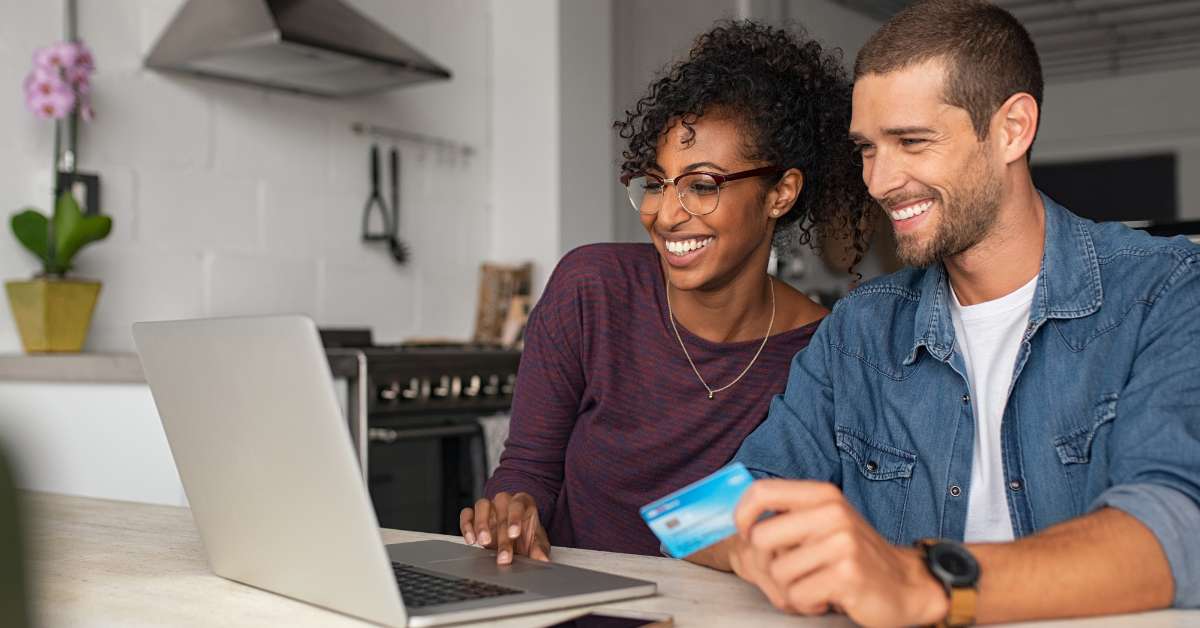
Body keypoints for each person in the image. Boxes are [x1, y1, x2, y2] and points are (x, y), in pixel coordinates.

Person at [690, 1, 1200, 625]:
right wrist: (766, 544)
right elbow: (703, 517)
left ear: (1012, 128)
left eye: (911, 142)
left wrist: (920, 579)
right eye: (867, 149)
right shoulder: (859, 330)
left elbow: (1177, 528)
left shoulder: (1168, 289)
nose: (878, 181)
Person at [460, 20, 870, 564]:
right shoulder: (592, 289)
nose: (667, 214)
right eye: (656, 183)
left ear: (781, 194)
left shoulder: (823, 353)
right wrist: (510, 514)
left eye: (702, 186)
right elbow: (527, 469)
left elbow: (751, 524)